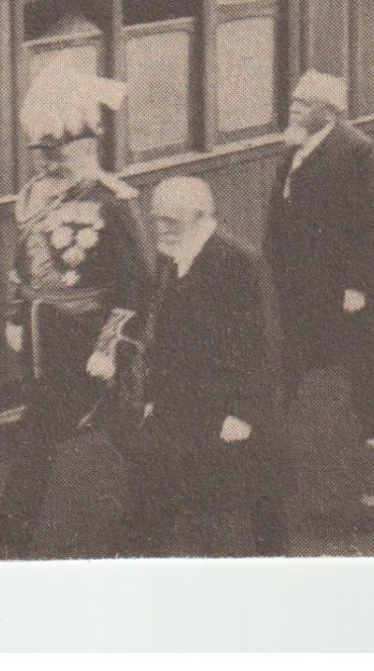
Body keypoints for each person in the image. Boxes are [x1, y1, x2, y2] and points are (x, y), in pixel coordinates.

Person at [0, 55, 154, 559]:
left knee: (127, 435)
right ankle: (8, 543)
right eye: (43, 150)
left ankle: (168, 512)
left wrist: (111, 345)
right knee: (43, 439)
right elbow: (21, 263)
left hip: (89, 336)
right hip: (44, 336)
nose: (50, 160)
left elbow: (137, 285)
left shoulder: (112, 201)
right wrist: (12, 315)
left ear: (88, 146)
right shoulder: (32, 195)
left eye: (60, 149)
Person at [116, 177, 290, 554]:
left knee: (251, 503)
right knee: (150, 485)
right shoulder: (169, 256)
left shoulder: (239, 261)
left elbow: (262, 343)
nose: (160, 229)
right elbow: (161, 330)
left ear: (199, 216)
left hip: (230, 406)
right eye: (156, 219)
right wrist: (152, 396)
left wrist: (242, 413)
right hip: (178, 400)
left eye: (169, 221)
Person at [264, 70, 374, 442]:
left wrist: (357, 286)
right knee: (286, 354)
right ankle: (270, 429)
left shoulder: (355, 150)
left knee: (362, 359)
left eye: (304, 104)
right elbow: (280, 210)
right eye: (294, 101)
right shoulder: (296, 143)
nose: (294, 109)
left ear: (328, 112)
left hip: (336, 282)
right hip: (295, 278)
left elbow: (368, 225)